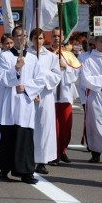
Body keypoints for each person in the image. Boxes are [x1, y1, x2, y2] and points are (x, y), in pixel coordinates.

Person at [0, 25, 44, 184]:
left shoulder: (33, 58)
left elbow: (40, 79)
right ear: (13, 38)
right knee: (9, 137)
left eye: (25, 36)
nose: (23, 38)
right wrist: (15, 69)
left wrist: (27, 88)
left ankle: (26, 172)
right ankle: (5, 169)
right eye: (20, 36)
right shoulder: (4, 57)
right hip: (10, 103)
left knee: (25, 138)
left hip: (26, 103)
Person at [28, 28, 61, 174]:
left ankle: (42, 160)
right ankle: (28, 157)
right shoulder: (26, 54)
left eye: (41, 38)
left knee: (44, 128)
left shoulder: (50, 57)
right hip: (29, 96)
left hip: (45, 95)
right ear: (31, 39)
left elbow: (56, 77)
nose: (38, 41)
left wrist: (43, 73)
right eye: (35, 38)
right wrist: (31, 89)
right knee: (29, 128)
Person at [79, 35, 102, 163]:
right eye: (101, 41)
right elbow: (85, 79)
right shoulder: (88, 60)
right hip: (95, 95)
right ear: (96, 42)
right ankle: (95, 152)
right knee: (95, 125)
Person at [50, 27, 80, 165]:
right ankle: (53, 154)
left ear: (62, 38)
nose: (56, 38)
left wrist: (65, 67)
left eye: (59, 36)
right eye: (54, 36)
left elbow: (76, 74)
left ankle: (63, 150)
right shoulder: (46, 53)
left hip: (65, 95)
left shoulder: (68, 54)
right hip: (50, 96)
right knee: (53, 127)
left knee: (66, 127)